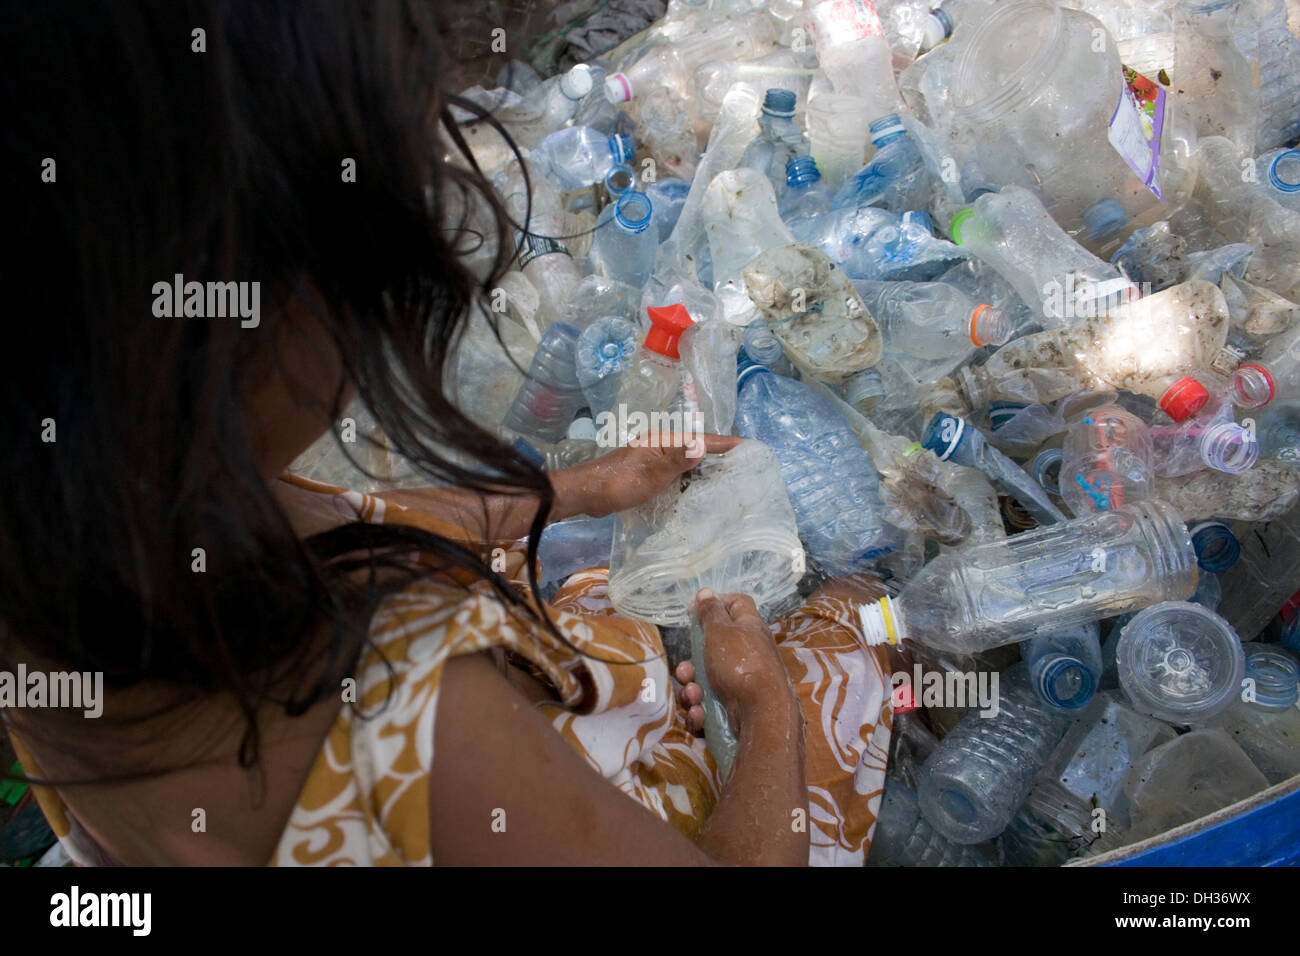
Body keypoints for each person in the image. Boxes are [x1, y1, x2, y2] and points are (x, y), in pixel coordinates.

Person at [1, 0, 895, 866]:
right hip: (491, 801)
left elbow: (371, 519)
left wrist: (585, 487)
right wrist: (765, 706)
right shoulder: (413, 710)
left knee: (603, 580)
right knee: (850, 624)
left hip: (487, 789)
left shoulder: (87, 530)